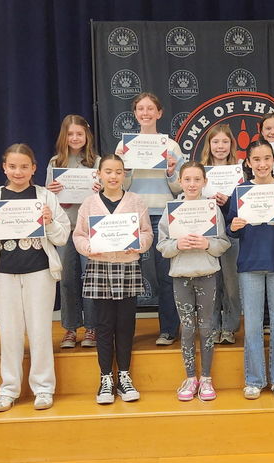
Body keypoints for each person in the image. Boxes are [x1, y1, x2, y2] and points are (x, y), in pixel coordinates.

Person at [0, 144, 70, 412]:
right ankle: (9, 389)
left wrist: (49, 222)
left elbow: (62, 236)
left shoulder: (45, 197)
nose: (18, 171)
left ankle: (43, 388)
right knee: (9, 332)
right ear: (4, 168)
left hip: (39, 270)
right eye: (12, 166)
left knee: (40, 330)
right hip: (2, 272)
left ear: (34, 169)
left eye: (24, 166)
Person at [73, 154, 154, 405]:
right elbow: (78, 235)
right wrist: (89, 249)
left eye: (118, 171)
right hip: (99, 267)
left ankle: (125, 376)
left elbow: (147, 233)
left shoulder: (135, 201)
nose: (113, 176)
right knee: (104, 325)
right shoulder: (88, 203)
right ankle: (106, 377)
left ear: (124, 174)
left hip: (126, 266)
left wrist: (137, 245)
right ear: (99, 174)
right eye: (108, 171)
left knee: (126, 324)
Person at [225, 139, 274, 400]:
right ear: (248, 163)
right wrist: (233, 226)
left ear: (273, 160)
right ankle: (254, 380)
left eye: (267, 158)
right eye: (256, 159)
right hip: (250, 264)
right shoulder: (240, 191)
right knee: (254, 325)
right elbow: (230, 228)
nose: (262, 164)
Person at [156, 161, 231, 401]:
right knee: (188, 328)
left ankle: (207, 378)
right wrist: (177, 245)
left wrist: (207, 244)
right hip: (181, 276)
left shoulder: (212, 209)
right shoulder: (172, 210)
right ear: (180, 181)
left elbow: (223, 242)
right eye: (187, 179)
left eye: (197, 179)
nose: (191, 184)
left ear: (204, 182)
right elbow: (162, 245)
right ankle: (190, 378)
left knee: (207, 327)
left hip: (206, 274)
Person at [114, 92, 184, 346]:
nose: (145, 113)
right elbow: (117, 185)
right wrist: (127, 171)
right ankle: (125, 332)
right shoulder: (123, 148)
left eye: (150, 108)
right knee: (129, 277)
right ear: (135, 114)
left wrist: (170, 172)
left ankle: (168, 329)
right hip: (133, 218)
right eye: (140, 109)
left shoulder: (171, 146)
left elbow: (179, 189)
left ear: (159, 113)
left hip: (164, 217)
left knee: (165, 276)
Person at [46, 114, 100, 350]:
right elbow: (48, 200)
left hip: (90, 228)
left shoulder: (96, 162)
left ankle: (92, 327)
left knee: (90, 278)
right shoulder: (55, 163)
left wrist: (100, 189)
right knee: (67, 279)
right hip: (64, 227)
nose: (75, 138)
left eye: (79, 133)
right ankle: (70, 327)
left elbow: (107, 198)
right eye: (71, 134)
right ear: (64, 137)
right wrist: (52, 191)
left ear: (87, 136)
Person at [197, 124, 241, 345]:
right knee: (211, 282)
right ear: (209, 145)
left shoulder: (241, 170)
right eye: (216, 142)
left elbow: (248, 205)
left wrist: (230, 201)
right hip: (208, 233)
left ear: (231, 144)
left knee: (232, 283)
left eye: (225, 142)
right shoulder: (200, 171)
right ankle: (212, 327)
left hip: (232, 231)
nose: (220, 146)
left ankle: (230, 327)